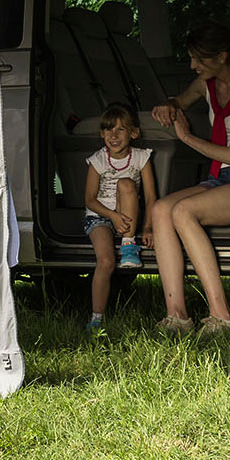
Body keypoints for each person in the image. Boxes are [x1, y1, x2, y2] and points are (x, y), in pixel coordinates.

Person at [146, 21, 230, 337]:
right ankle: (177, 316)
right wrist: (169, 106)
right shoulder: (207, 84)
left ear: (222, 56)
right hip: (223, 178)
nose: (193, 66)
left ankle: (222, 317)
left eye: (199, 59)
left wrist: (187, 137)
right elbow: (181, 99)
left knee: (183, 211)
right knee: (161, 209)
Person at [81, 103, 158, 334]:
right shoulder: (98, 160)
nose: (113, 135)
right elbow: (90, 200)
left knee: (126, 183)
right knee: (105, 261)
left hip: (128, 217)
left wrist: (148, 228)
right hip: (100, 217)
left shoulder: (141, 158)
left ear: (133, 133)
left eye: (120, 129)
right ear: (102, 134)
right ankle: (96, 318)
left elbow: (152, 196)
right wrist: (112, 216)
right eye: (108, 130)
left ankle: (128, 245)